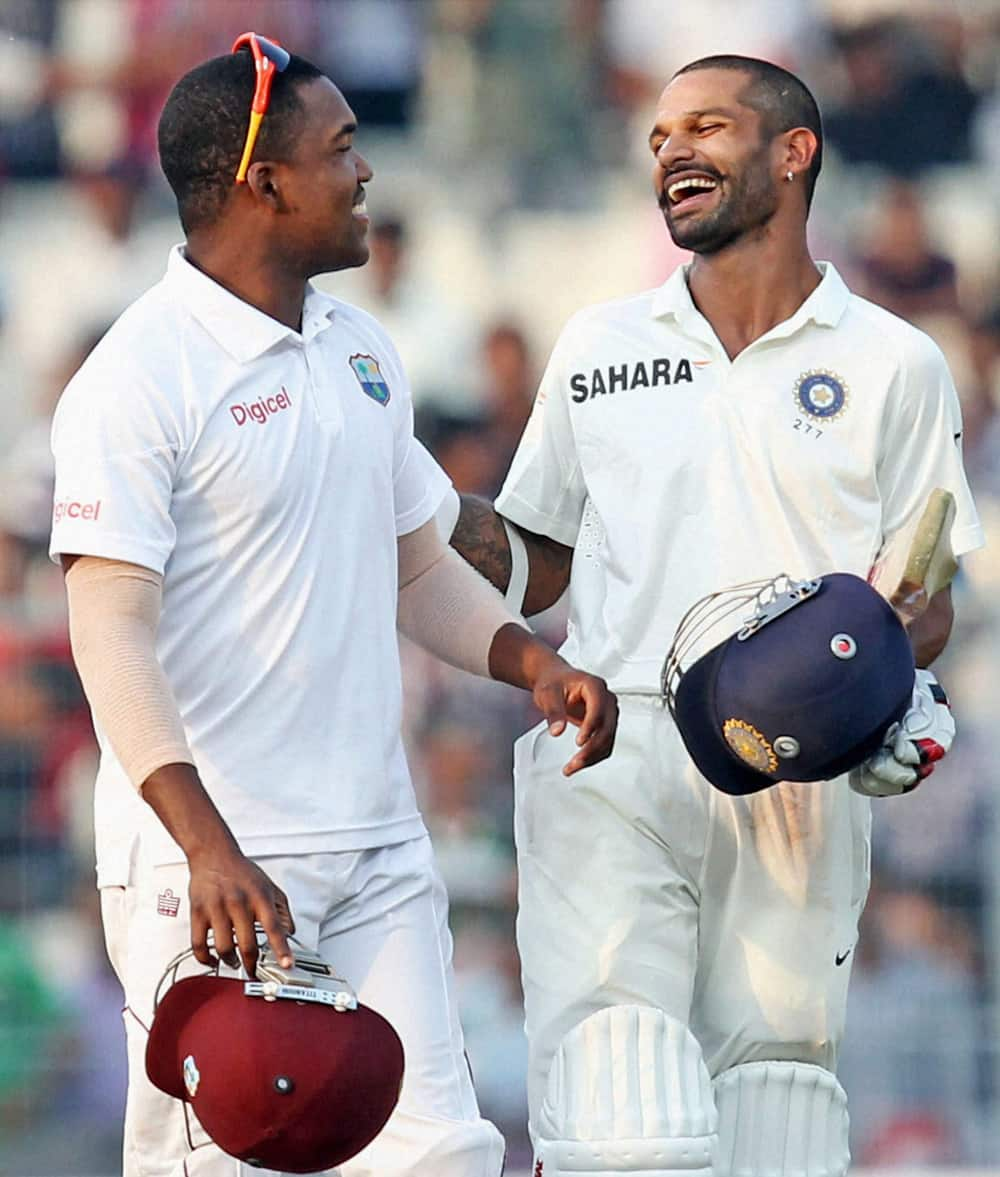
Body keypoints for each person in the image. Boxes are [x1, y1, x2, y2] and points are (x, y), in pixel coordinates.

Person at [48, 34, 618, 1177]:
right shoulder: (137, 376)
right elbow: (108, 634)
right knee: (217, 1164)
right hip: (208, 864)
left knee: (443, 1152)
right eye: (342, 149)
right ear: (265, 179)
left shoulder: (361, 349)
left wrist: (529, 662)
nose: (366, 175)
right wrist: (205, 847)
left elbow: (412, 563)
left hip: (373, 839)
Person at [445, 54, 983, 1177]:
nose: (672, 153)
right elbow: (539, 560)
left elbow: (927, 590)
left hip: (797, 764)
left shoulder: (894, 363)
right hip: (610, 737)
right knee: (618, 1106)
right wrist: (423, 508)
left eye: (706, 127)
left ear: (795, 153)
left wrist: (886, 687)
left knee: (775, 1110)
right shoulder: (598, 346)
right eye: (657, 139)